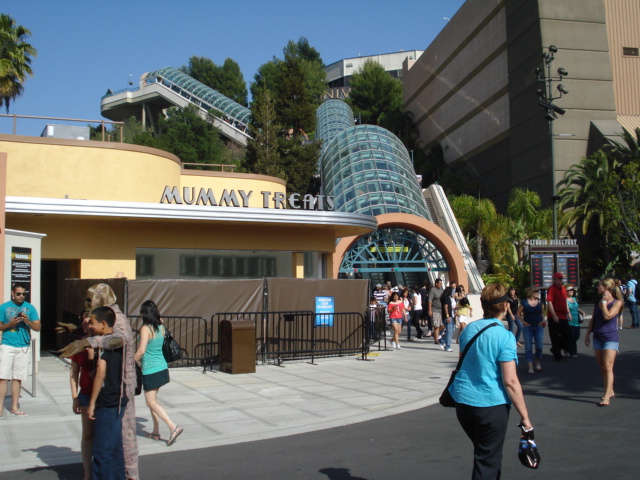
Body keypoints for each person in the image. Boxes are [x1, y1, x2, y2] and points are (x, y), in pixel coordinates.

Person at [449, 283, 533, 479]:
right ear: (505, 306)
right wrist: (525, 417)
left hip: (463, 402)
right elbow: (510, 381)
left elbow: (463, 362)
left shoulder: (469, 329)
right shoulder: (504, 337)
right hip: (490, 405)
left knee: (488, 454)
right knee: (487, 460)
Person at [59, 284, 139, 480]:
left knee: (117, 441)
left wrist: (89, 342)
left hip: (117, 389)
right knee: (113, 444)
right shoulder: (107, 317)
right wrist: (78, 329)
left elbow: (119, 339)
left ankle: (129, 475)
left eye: (90, 299)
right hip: (107, 391)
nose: (87, 303)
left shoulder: (117, 319)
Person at [134, 300, 183, 446]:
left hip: (151, 369)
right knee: (152, 401)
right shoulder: (161, 325)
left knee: (151, 401)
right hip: (162, 367)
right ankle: (156, 431)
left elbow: (141, 351)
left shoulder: (145, 329)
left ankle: (172, 426)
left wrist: (130, 361)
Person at [87, 306, 128, 480]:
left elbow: (100, 372)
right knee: (115, 450)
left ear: (103, 324)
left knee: (101, 452)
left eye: (92, 322)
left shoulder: (104, 343)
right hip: (119, 399)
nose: (89, 325)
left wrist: (92, 403)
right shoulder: (119, 341)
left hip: (107, 402)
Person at [0, 283, 41, 417]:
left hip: (23, 346)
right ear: (13, 293)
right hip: (7, 345)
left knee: (18, 378)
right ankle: (0, 408)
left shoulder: (30, 308)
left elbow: (38, 327)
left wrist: (27, 321)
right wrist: (10, 324)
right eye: (18, 294)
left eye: (24, 294)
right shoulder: (4, 307)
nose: (21, 296)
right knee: (3, 377)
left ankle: (14, 407)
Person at [585, 278, 623, 406]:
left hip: (610, 337)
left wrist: (604, 304)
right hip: (598, 336)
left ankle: (606, 396)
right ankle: (609, 389)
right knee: (602, 366)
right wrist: (587, 335)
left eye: (599, 285)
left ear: (606, 287)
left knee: (608, 366)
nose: (597, 288)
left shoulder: (617, 303)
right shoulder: (598, 301)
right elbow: (593, 319)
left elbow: (608, 316)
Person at [70, 310, 95, 480]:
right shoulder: (78, 344)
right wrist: (74, 397)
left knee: (104, 435)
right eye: (84, 320)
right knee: (88, 434)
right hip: (85, 394)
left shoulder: (107, 341)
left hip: (104, 396)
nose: (86, 323)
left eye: (89, 320)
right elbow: (73, 373)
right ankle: (88, 474)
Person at [517, 286, 547, 374]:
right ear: (531, 292)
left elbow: (542, 313)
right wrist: (523, 322)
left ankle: (537, 361)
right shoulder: (524, 302)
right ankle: (530, 366)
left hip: (538, 326)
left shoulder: (540, 302)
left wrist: (543, 320)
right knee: (528, 347)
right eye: (536, 291)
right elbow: (518, 314)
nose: (538, 293)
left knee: (539, 347)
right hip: (528, 327)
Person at [547, 272, 570, 360]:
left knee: (567, 335)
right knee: (555, 336)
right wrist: (554, 315)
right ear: (555, 280)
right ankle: (558, 356)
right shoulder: (551, 289)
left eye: (562, 279)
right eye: (559, 279)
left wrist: (568, 312)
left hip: (563, 315)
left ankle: (555, 349)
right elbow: (549, 302)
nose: (561, 280)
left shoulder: (563, 289)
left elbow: (565, 301)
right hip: (554, 316)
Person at [566, 285, 586, 358]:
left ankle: (567, 348)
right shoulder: (565, 300)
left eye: (572, 290)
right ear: (566, 292)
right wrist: (569, 314)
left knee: (577, 336)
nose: (571, 291)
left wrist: (581, 311)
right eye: (569, 290)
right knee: (572, 337)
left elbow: (576, 308)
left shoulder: (574, 299)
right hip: (570, 321)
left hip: (576, 320)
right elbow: (566, 308)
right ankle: (573, 352)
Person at [428, 278, 445, 346]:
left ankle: (434, 334)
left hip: (441, 310)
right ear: (436, 283)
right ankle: (436, 339)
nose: (441, 285)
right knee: (436, 325)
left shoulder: (441, 290)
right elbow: (430, 300)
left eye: (441, 283)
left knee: (443, 325)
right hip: (435, 310)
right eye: (440, 283)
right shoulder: (432, 290)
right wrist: (430, 310)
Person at [440, 285, 455, 352]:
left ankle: (442, 340)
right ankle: (448, 346)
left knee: (452, 330)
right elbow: (445, 307)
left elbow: (448, 307)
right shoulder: (446, 298)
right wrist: (447, 316)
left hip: (449, 315)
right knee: (449, 331)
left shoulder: (446, 297)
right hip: (447, 316)